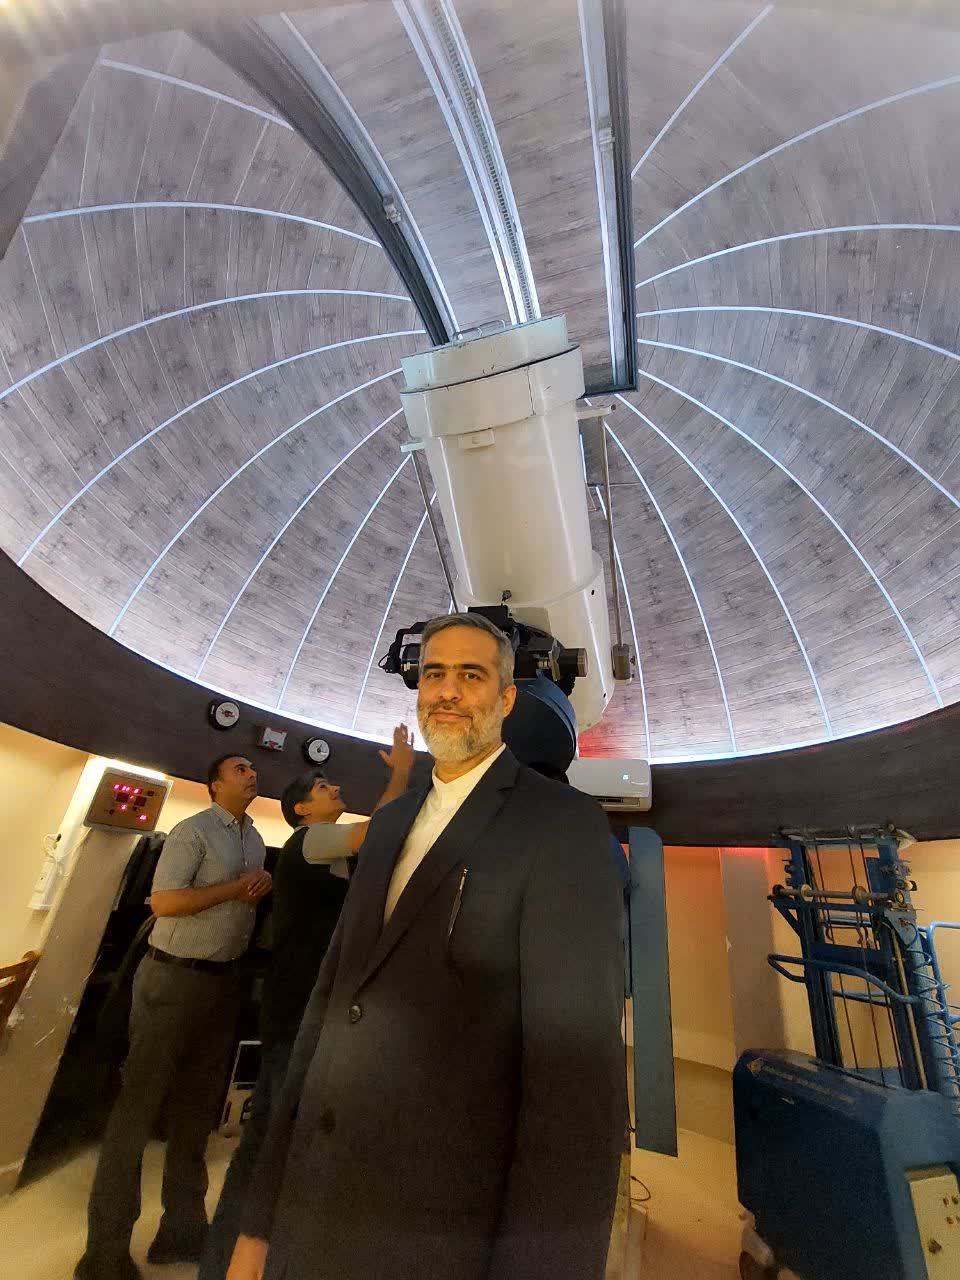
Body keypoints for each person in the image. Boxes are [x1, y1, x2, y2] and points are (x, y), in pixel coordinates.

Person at [228, 613, 627, 1280]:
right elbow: (329, 1011)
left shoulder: (562, 825)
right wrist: (260, 1220)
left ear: (507, 699)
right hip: (315, 1213)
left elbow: (574, 1090)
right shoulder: (388, 825)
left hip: (439, 1225)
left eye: (472, 675)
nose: (447, 689)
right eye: (435, 673)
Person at [198, 725, 416, 1280]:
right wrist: (402, 774)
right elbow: (380, 829)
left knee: (285, 1130)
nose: (334, 788)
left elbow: (376, 838)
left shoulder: (331, 856)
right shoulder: (308, 841)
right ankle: (225, 1260)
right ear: (302, 809)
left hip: (310, 1008)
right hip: (295, 1008)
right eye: (322, 786)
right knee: (268, 1134)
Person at [75, 754, 271, 1280]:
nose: (252, 774)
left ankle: (182, 1230)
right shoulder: (193, 831)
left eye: (253, 769)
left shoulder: (254, 838)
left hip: (221, 983)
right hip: (172, 978)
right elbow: (163, 903)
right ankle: (105, 1252)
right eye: (240, 768)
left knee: (195, 1111)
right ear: (215, 785)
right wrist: (236, 889)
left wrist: (256, 889)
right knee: (136, 1110)